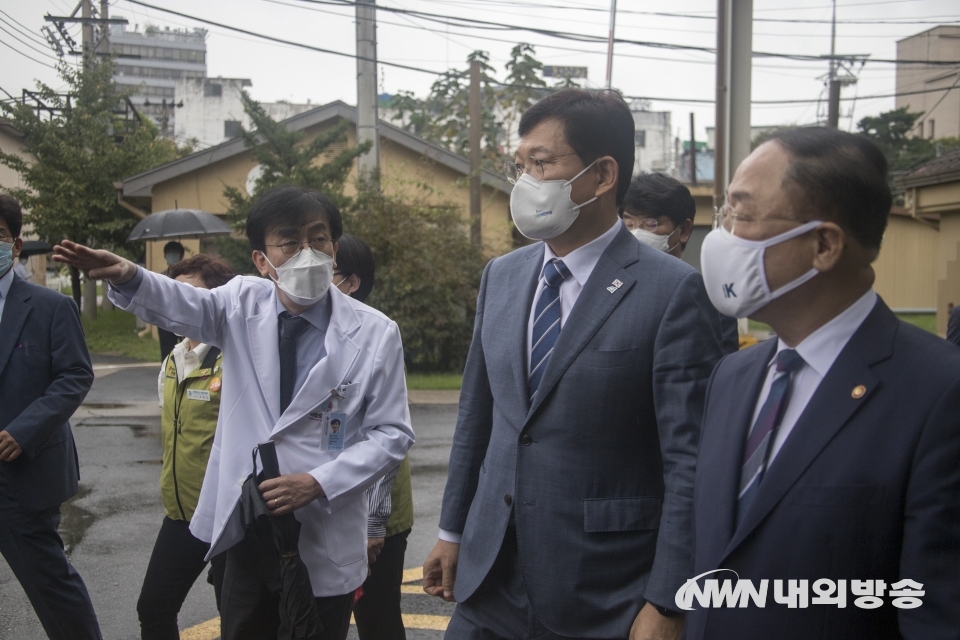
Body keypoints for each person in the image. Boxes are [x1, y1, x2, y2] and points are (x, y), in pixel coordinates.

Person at [423, 89, 723, 640]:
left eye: (541, 164)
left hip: (604, 589)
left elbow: (692, 462)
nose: (524, 183)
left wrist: (670, 599)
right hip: (488, 579)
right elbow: (477, 416)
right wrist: (452, 530)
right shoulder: (503, 276)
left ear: (602, 174)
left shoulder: (675, 293)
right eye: (520, 166)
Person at [53, 186, 415, 640]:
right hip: (247, 529)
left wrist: (318, 483)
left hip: (323, 526)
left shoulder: (377, 333)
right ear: (263, 261)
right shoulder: (241, 302)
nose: (308, 254)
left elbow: (392, 434)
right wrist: (129, 274)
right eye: (289, 243)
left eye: (318, 240)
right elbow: (182, 303)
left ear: (334, 247)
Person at [688, 127, 960, 639]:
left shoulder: (939, 394)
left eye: (743, 216)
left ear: (824, 244)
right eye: (726, 214)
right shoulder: (734, 375)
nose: (723, 236)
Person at [0, 194, 101, 640]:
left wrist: (23, 431)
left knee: (51, 588)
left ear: (16, 245)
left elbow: (75, 376)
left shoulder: (49, 307)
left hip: (23, 472)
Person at [136, 254, 236, 640]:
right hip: (181, 515)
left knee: (237, 619)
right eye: (175, 293)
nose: (182, 302)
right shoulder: (174, 359)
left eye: (192, 293)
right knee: (154, 608)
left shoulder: (234, 358)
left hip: (228, 519)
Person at [334, 234, 415, 640]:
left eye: (327, 271)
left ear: (351, 281)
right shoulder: (316, 328)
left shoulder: (376, 333)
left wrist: (373, 524)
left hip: (375, 511)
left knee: (377, 617)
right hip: (329, 503)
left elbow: (385, 437)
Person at [621, 173, 740, 355]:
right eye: (628, 224)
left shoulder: (712, 301)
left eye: (651, 224)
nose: (637, 233)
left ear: (684, 230)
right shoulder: (608, 289)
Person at [158, 241, 186, 361]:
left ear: (181, 256)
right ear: (165, 256)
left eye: (174, 253)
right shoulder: (161, 277)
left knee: (187, 348)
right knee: (167, 352)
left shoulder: (186, 276)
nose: (171, 256)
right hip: (165, 319)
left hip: (185, 318)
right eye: (169, 253)